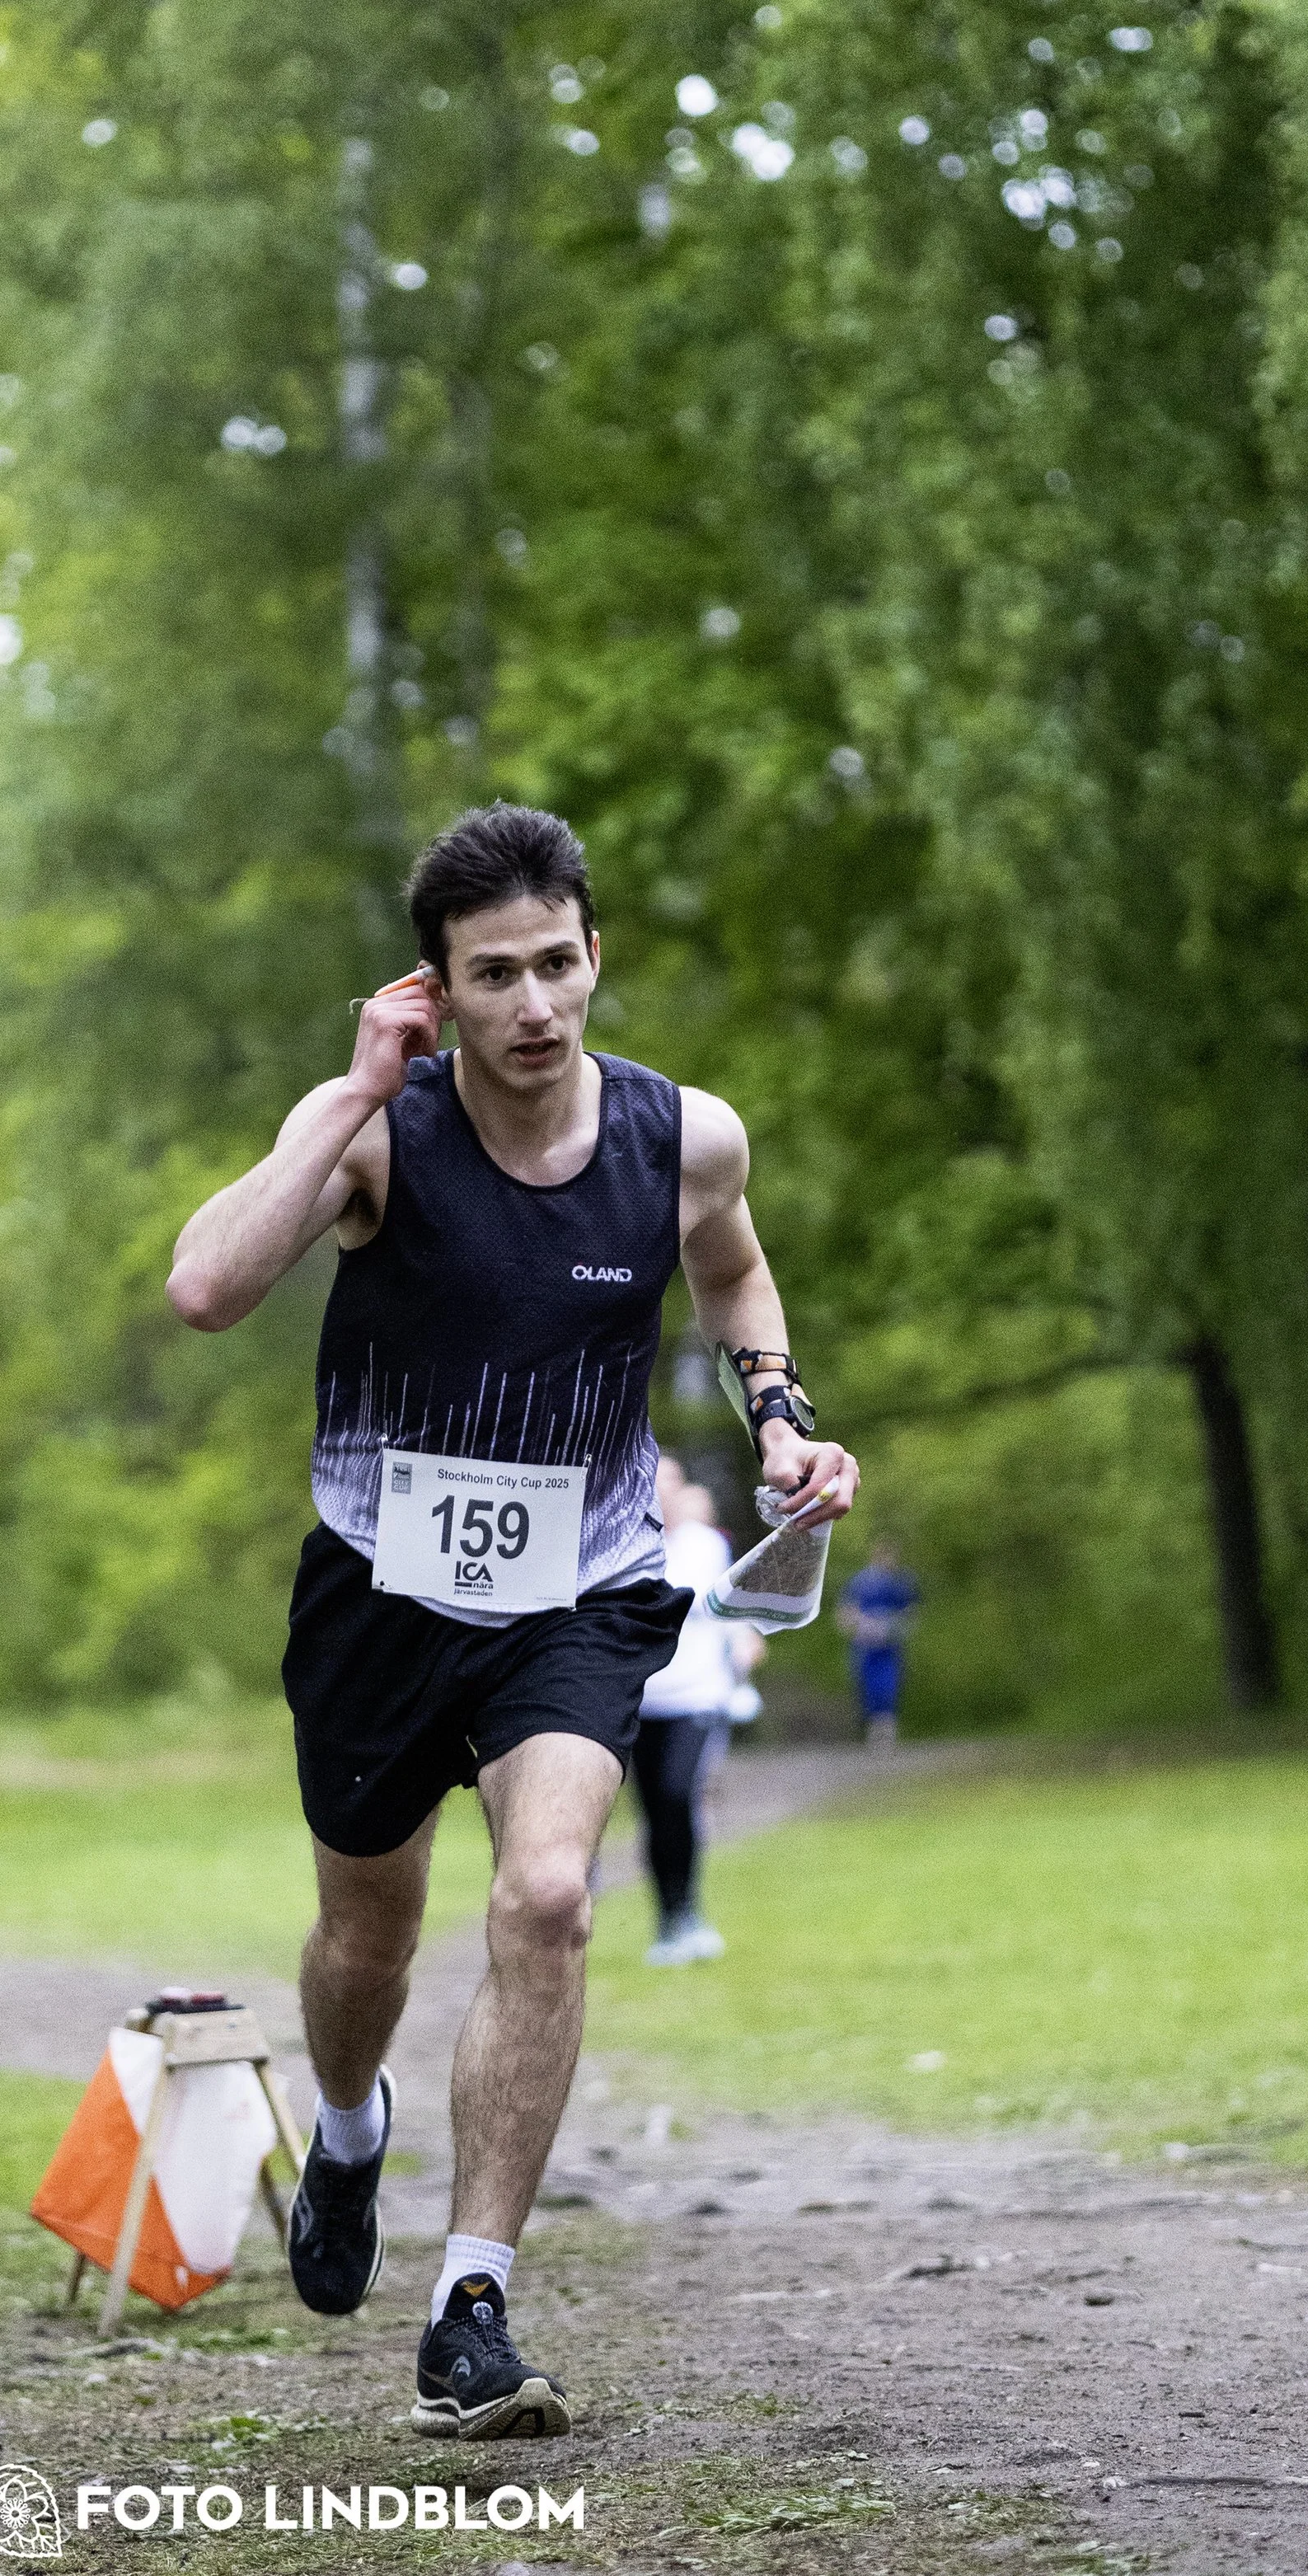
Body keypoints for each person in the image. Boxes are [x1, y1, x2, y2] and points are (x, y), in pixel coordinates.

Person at [166, 803, 858, 2441]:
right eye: (495, 975)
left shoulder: (682, 1135)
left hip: (580, 1579)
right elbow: (203, 1286)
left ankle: (468, 2298)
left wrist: (777, 1411)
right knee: (366, 1939)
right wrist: (347, 1086)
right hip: (378, 1590)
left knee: (545, 1895)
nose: (535, 1004)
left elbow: (734, 1270)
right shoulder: (376, 1132)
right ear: (437, 990)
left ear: (592, 954)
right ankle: (345, 2130)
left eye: (558, 962)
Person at [631, 1459, 762, 1966]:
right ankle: (668, 1919)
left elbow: (731, 1608)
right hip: (643, 1700)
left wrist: (745, 1640)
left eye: (670, 1485)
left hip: (699, 1696)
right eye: (652, 1486)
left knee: (678, 1794)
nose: (661, 1495)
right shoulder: (627, 1547)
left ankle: (689, 1912)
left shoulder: (708, 1546)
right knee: (654, 1812)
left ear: (682, 1492)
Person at [837, 1537, 920, 1746]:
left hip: (889, 1644)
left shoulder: (901, 1582)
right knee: (865, 1685)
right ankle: (871, 1728)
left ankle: (886, 1729)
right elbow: (846, 1611)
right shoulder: (861, 1581)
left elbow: (911, 1611)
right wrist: (859, 1626)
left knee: (889, 1686)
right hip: (865, 1643)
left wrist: (895, 1627)